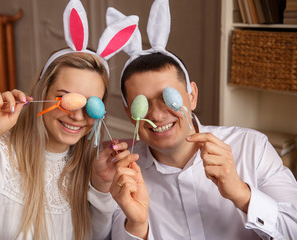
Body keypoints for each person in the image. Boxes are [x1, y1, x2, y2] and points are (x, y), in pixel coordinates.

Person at [0, 0, 139, 239]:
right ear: (43, 93)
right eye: (65, 99)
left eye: (91, 106)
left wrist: (101, 188)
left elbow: (93, 235)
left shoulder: (87, 165)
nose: (77, 115)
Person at [109, 0, 297, 239]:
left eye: (168, 97)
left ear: (192, 95)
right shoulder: (124, 175)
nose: (156, 115)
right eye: (141, 104)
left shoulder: (252, 148)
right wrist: (136, 225)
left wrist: (242, 195)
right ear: (128, 112)